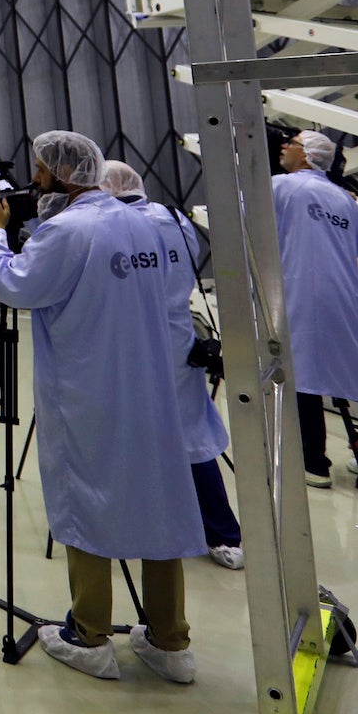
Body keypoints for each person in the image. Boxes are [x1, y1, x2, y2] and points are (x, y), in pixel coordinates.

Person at [0, 132, 203, 684]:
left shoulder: (67, 230)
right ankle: (170, 641)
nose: (34, 181)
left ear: (62, 174)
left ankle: (90, 635)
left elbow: (14, 285)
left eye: (39, 171)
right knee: (158, 503)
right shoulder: (147, 223)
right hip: (152, 390)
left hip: (91, 391)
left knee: (87, 502)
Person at [100, 161, 243, 570]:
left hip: (128, 341)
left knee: (125, 433)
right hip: (179, 337)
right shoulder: (172, 217)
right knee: (191, 434)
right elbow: (189, 260)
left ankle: (134, 527)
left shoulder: (111, 225)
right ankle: (223, 535)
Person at [272, 129, 358, 488]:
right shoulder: (344, 199)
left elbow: (241, 208)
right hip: (345, 296)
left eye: (291, 143)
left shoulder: (283, 186)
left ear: (308, 155)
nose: (284, 146)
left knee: (304, 373)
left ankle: (314, 463)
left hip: (302, 290)